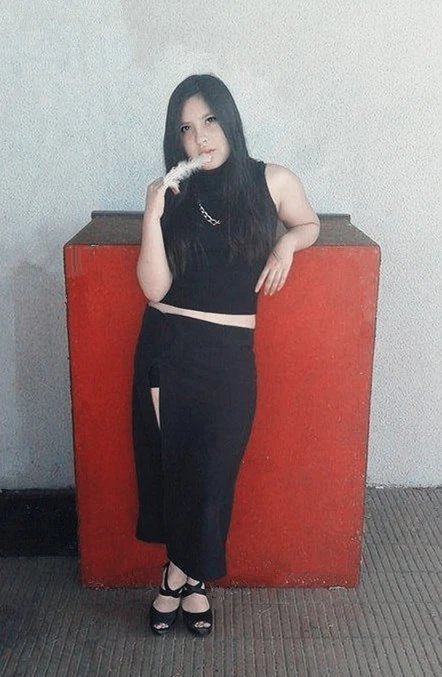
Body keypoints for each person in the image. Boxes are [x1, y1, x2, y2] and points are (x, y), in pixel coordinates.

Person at [132, 74, 320, 637]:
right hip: (169, 346)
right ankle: (188, 582)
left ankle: (175, 574)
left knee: (212, 474)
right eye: (186, 129)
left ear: (229, 119)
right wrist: (150, 215)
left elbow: (308, 223)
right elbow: (154, 288)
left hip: (230, 355)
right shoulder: (174, 192)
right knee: (174, 471)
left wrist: (287, 244)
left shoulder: (273, 180)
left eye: (209, 120)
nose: (200, 138)